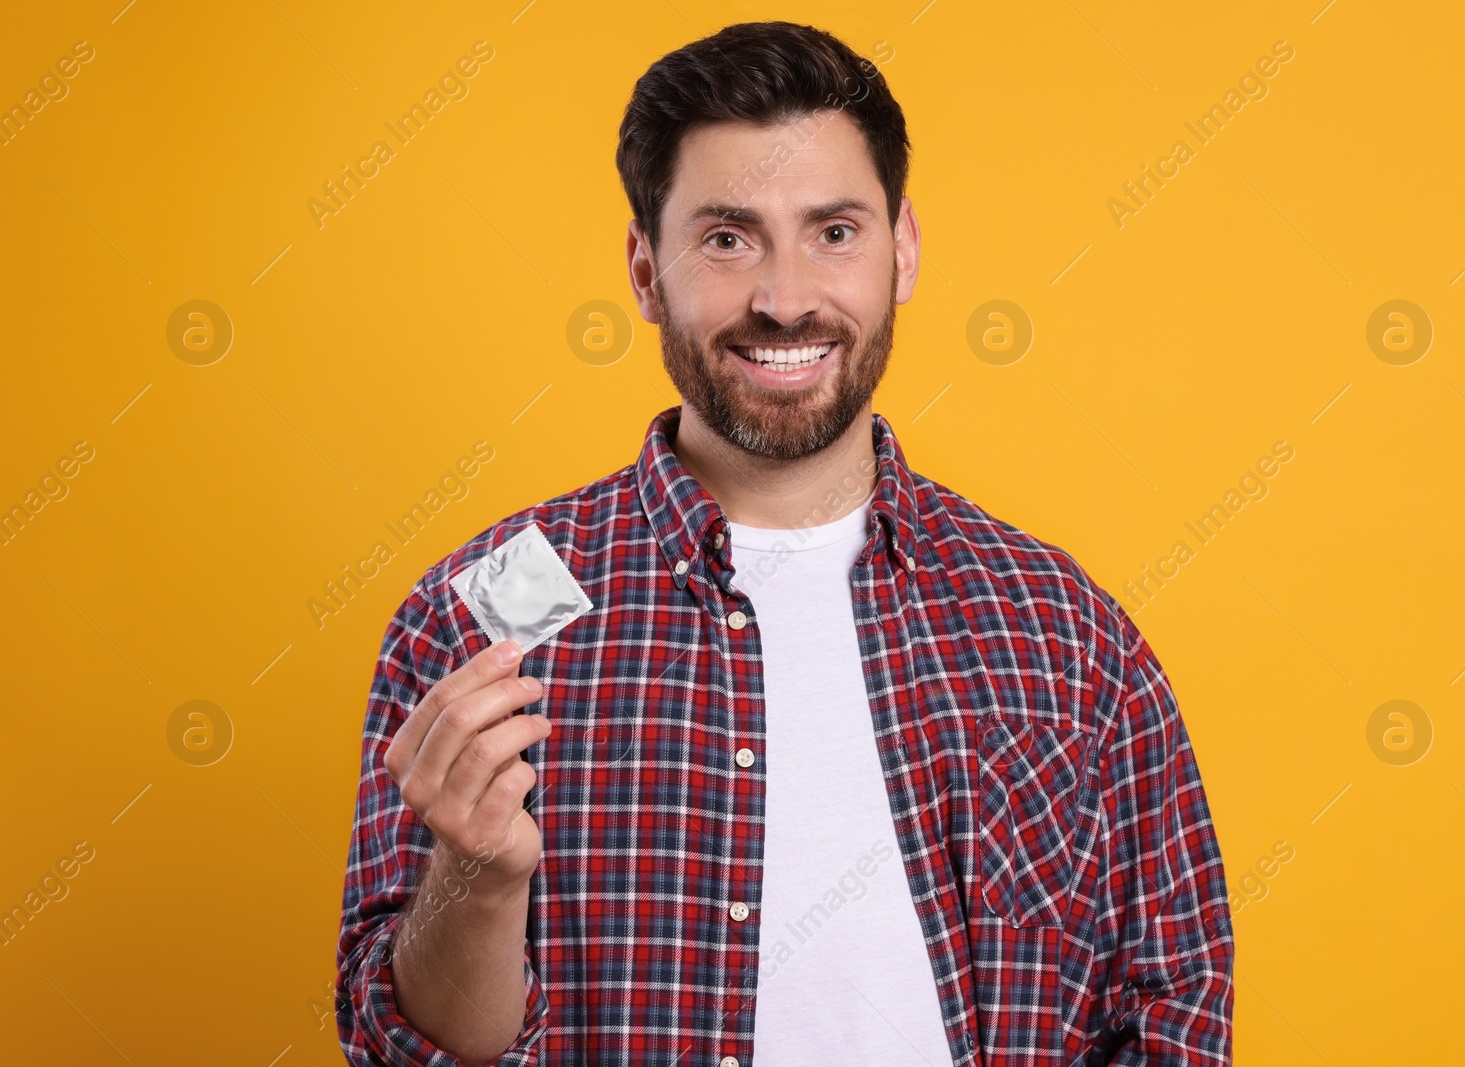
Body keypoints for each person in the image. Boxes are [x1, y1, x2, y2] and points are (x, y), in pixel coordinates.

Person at [336, 20, 1234, 1067]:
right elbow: (402, 1048)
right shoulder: (485, 612)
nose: (785, 296)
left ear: (902, 248)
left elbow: (1173, 1001)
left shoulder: (1059, 627)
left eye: (833, 232)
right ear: (642, 268)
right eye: (726, 237)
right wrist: (476, 877)